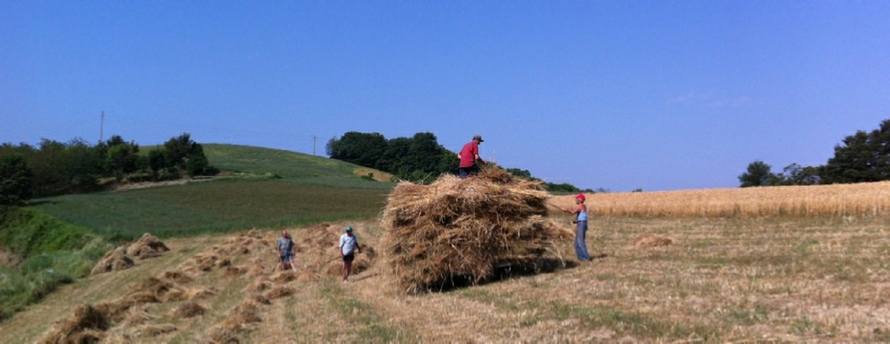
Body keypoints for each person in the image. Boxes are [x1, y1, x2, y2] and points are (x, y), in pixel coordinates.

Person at [563, 194, 592, 262]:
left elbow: (572, 212)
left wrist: (566, 210)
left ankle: (586, 258)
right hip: (581, 223)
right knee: (577, 243)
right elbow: (582, 218)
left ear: (580, 200)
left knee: (580, 242)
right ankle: (581, 258)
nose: (576, 199)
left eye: (577, 198)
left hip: (581, 225)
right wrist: (574, 222)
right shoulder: (582, 206)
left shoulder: (581, 206)